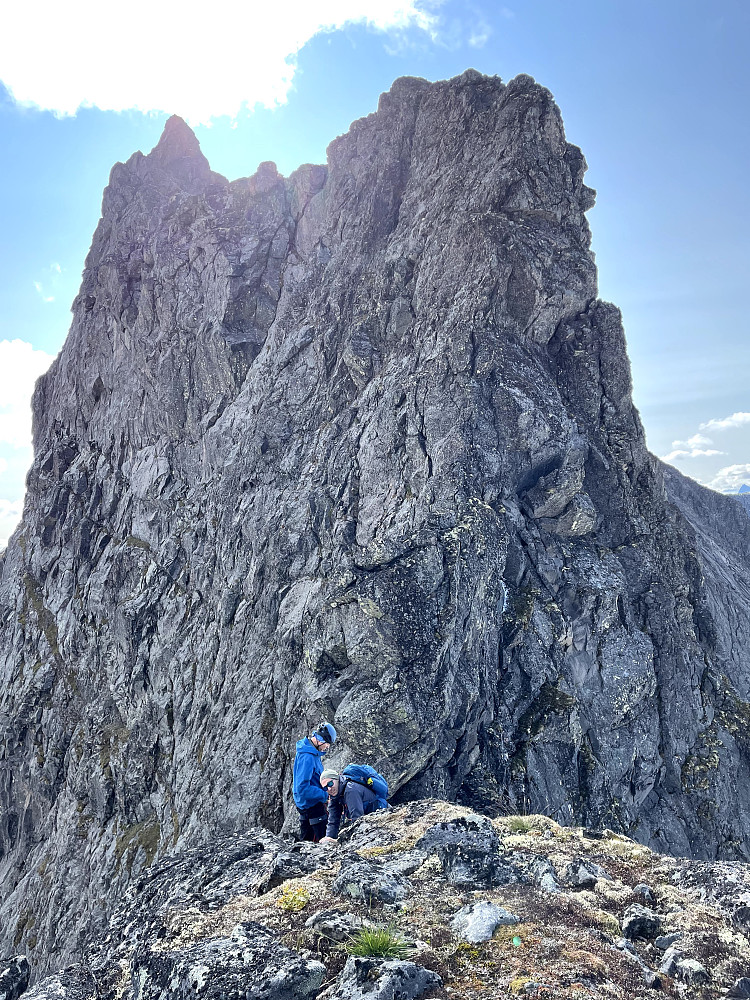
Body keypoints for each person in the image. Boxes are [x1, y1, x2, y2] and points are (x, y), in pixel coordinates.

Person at [292, 722, 337, 842]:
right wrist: (324, 795)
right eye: (327, 743)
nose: (327, 747)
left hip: (311, 805)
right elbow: (302, 788)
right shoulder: (307, 757)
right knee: (320, 842)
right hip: (312, 807)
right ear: (319, 739)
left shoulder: (313, 753)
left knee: (308, 842)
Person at [319, 767, 383, 843]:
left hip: (381, 817)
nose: (329, 789)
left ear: (337, 779)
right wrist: (328, 839)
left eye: (330, 783)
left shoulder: (351, 789)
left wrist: (341, 842)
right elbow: (333, 819)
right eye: (325, 788)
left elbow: (357, 818)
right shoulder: (335, 795)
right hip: (368, 821)